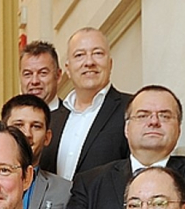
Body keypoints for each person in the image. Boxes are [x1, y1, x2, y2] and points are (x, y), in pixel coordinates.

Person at [42, 28, 131, 180]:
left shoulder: (131, 109)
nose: (89, 62)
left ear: (110, 64)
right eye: (79, 55)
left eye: (98, 53)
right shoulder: (51, 120)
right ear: (68, 70)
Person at [2, 94, 70, 209]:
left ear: (47, 137)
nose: (27, 133)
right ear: (3, 132)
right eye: (19, 125)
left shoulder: (65, 191)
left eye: (36, 126)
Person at [19, 41, 62, 111]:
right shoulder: (11, 119)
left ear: (58, 76)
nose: (34, 81)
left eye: (43, 73)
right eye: (28, 74)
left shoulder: (73, 118)